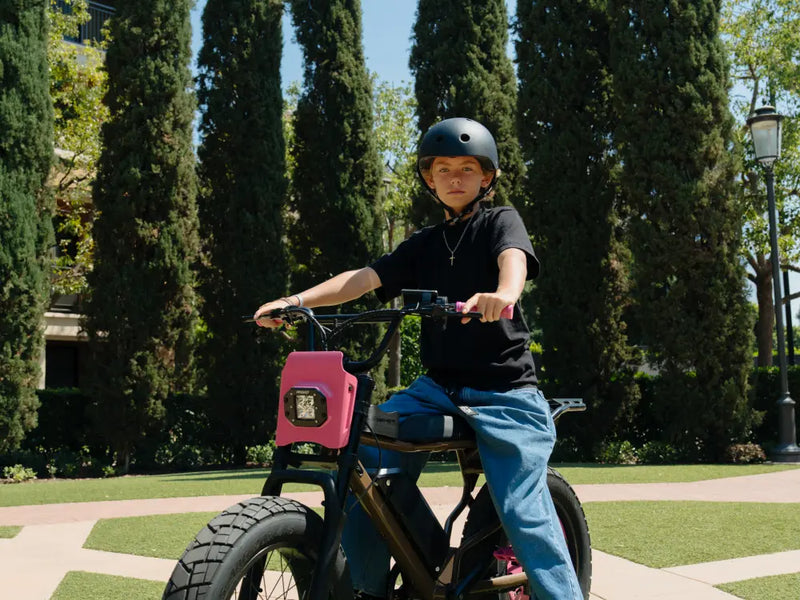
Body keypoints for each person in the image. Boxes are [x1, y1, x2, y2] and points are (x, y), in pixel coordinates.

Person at [254, 117, 582, 600]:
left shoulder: (500, 220)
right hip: (437, 391)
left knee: (522, 508)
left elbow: (512, 259)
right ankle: (384, 583)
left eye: (467, 168)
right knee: (365, 458)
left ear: (486, 177)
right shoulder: (424, 244)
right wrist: (297, 301)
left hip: (507, 393)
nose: (454, 177)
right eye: (443, 168)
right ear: (429, 178)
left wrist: (502, 294)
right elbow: (363, 279)